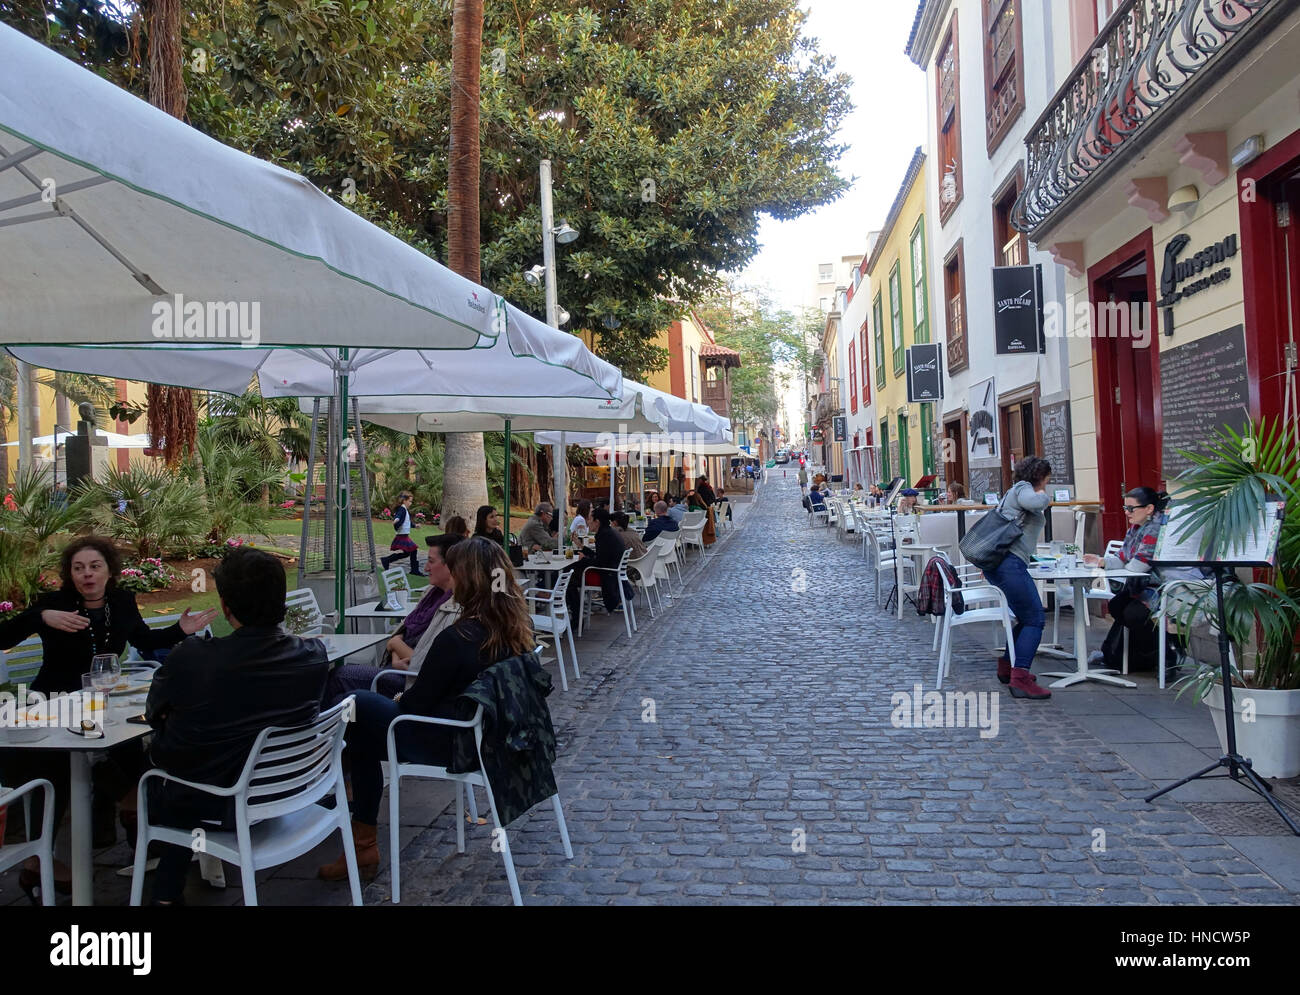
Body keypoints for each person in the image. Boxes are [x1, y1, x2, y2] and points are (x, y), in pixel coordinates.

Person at [0, 536, 216, 900]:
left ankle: (140, 827)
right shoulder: (53, 604)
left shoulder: (121, 600)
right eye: (79, 568)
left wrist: (181, 631)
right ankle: (41, 861)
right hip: (55, 703)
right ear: (70, 573)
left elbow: (146, 640)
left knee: (136, 750)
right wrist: (39, 616)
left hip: (106, 704)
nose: (87, 574)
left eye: (94, 567)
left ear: (109, 571)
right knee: (54, 768)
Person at [318, 537, 539, 881]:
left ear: (466, 579)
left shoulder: (459, 637)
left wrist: (395, 702)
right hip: (487, 736)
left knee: (355, 707)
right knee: (360, 722)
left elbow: (416, 701)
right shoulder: (513, 629)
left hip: (452, 740)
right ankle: (359, 842)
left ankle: (359, 839)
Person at [143, 547, 330, 904]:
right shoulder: (312, 656)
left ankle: (163, 888)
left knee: (160, 773)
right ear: (281, 600)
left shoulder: (194, 658)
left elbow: (155, 713)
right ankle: (167, 889)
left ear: (226, 607)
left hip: (215, 802)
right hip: (287, 789)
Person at [322, 534, 466, 707]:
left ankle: (321, 729)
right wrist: (396, 651)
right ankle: (341, 729)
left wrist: (395, 645)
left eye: (431, 561)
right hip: (395, 668)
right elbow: (401, 633)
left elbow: (424, 662)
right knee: (340, 700)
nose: (426, 568)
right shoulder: (431, 594)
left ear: (450, 566)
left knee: (340, 676)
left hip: (407, 684)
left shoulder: (454, 609)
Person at [1083, 487, 1189, 673]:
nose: (1126, 512)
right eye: (1125, 507)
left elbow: (1138, 566)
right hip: (1143, 586)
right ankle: (1129, 655)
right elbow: (1123, 557)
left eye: (1131, 508)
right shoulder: (1136, 528)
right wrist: (1101, 561)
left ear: (1149, 509)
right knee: (1117, 605)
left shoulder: (1156, 530)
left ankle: (1169, 653)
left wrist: (1115, 565)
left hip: (1166, 589)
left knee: (1134, 613)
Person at [987, 456, 1054, 700]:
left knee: (1026, 618)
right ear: (1040, 476)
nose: (1048, 482)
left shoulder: (1012, 491)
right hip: (1010, 564)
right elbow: (1035, 502)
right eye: (1047, 478)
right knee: (1035, 619)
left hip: (1004, 563)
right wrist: (1046, 495)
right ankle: (1021, 678)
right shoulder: (1024, 489)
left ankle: (1007, 667)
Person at [566, 508, 624, 619]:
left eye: (590, 519)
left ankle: (576, 616)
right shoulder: (609, 532)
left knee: (569, 578)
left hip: (606, 576)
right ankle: (575, 613)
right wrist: (581, 546)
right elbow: (601, 556)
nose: (587, 522)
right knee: (572, 573)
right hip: (611, 573)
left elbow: (599, 562)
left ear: (597, 522)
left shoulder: (604, 535)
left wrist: (583, 559)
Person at [381, 492, 423, 575]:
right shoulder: (402, 509)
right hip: (402, 536)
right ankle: (414, 570)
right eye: (410, 501)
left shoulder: (405, 510)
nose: (411, 503)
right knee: (413, 550)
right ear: (404, 501)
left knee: (408, 553)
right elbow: (398, 516)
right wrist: (396, 519)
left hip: (404, 535)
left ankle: (386, 560)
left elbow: (407, 523)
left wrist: (415, 525)